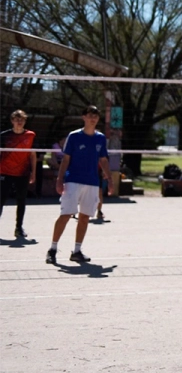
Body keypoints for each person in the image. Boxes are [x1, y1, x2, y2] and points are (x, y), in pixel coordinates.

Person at [46, 105, 111, 264]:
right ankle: (52, 248)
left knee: (85, 217)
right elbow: (66, 159)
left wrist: (109, 180)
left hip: (92, 182)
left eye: (95, 116)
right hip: (73, 180)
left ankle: (76, 251)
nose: (92, 118)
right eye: (89, 115)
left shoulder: (100, 138)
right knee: (66, 214)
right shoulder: (74, 136)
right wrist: (59, 180)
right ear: (83, 117)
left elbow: (103, 159)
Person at [0, 109, 37, 238]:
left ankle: (18, 227)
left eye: (22, 119)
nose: (19, 122)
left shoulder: (30, 135)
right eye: (17, 119)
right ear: (12, 121)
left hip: (23, 173)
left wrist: (33, 173)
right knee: (1, 200)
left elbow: (33, 155)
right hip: (5, 172)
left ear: (25, 121)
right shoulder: (4, 136)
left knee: (21, 200)